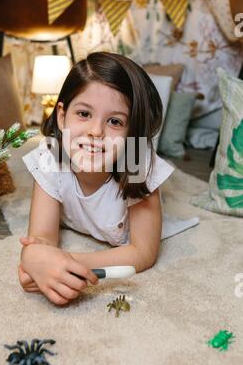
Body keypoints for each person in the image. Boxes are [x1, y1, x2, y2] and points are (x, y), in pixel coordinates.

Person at [18, 52, 180, 305]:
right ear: (62, 116)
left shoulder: (135, 160)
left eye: (115, 121)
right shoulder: (52, 155)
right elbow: (42, 237)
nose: (96, 132)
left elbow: (144, 252)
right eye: (84, 114)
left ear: (131, 133)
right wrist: (36, 255)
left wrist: (64, 263)